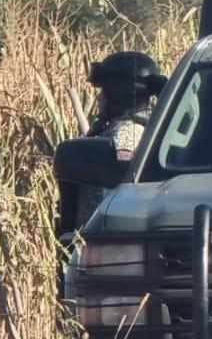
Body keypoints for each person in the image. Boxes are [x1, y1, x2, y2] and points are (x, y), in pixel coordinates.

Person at [58, 50, 167, 239]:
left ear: (118, 94)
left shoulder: (127, 134)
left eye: (104, 92)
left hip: (103, 243)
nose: (99, 98)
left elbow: (115, 194)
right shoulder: (119, 130)